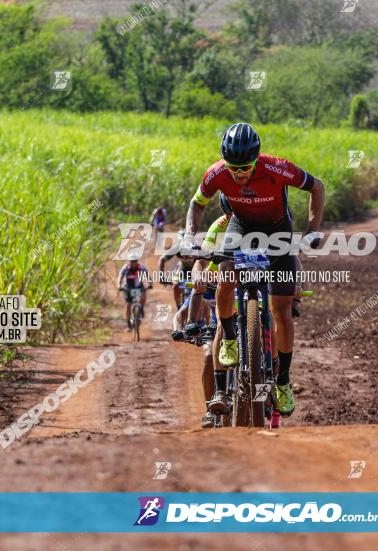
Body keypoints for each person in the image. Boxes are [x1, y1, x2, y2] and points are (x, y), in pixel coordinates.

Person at [183, 122, 325, 418]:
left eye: (245, 166)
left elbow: (317, 186)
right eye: (233, 167)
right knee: (225, 278)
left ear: (257, 158)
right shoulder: (217, 173)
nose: (239, 173)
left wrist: (312, 230)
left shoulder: (277, 168)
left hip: (278, 231)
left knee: (281, 310)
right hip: (242, 227)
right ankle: (232, 337)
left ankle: (283, 381)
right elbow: (197, 204)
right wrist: (188, 236)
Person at [116, 253, 152, 329]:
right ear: (129, 261)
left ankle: (141, 309)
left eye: (135, 261)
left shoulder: (142, 268)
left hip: (139, 287)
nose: (133, 262)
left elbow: (148, 277)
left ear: (137, 261)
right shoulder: (125, 268)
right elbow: (120, 278)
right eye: (132, 261)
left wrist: (150, 284)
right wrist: (119, 285)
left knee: (143, 296)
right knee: (128, 305)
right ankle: (128, 323)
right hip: (128, 288)